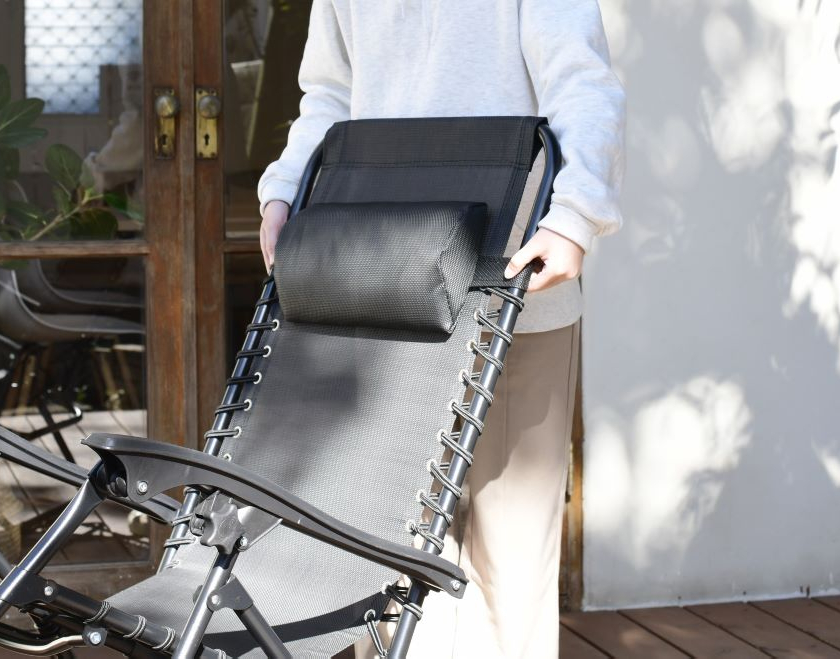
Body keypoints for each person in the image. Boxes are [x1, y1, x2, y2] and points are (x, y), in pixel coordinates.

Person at [257, 2, 625, 657]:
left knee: (507, 558)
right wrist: (285, 190)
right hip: (384, 279)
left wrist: (574, 216)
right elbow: (331, 94)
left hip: (512, 282)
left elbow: (580, 81)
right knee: (380, 548)